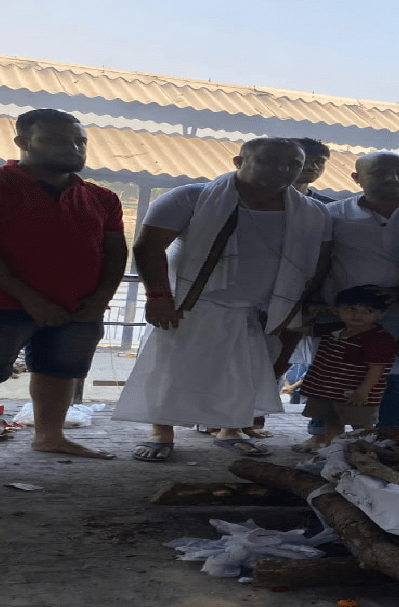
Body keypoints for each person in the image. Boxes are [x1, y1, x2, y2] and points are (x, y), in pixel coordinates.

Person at [114, 138, 332, 461]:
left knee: (243, 373)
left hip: (263, 309)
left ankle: (232, 429)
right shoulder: (191, 197)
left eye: (293, 165)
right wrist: (158, 296)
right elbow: (148, 246)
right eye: (270, 162)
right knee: (174, 369)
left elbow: (319, 261)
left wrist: (304, 303)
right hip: (192, 303)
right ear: (238, 161)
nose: (283, 170)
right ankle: (161, 430)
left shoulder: (313, 212)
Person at [0, 109, 127, 474]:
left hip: (77, 306)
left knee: (60, 371)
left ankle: (50, 436)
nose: (73, 148)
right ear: (22, 142)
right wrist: (31, 300)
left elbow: (116, 253)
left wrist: (100, 301)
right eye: (56, 140)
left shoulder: (101, 197)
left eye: (80, 141)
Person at [298, 152, 399, 448]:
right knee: (333, 374)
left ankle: (389, 439)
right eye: (380, 173)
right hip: (343, 315)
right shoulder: (332, 214)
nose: (393, 179)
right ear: (357, 178)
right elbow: (316, 261)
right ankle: (322, 437)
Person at [297, 285, 396, 444]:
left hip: (356, 394)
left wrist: (363, 391)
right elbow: (303, 329)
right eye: (350, 309)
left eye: (368, 311)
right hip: (328, 391)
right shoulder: (333, 329)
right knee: (332, 421)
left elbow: (376, 369)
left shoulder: (379, 339)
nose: (358, 315)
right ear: (336, 309)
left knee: (362, 427)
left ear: (380, 314)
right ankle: (332, 452)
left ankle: (367, 453)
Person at [293, 138, 335, 203]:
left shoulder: (329, 206)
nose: (313, 166)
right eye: (304, 160)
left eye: (319, 161)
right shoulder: (275, 202)